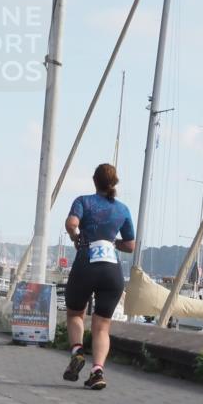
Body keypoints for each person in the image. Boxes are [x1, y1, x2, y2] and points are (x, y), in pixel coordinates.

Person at [62, 164, 135, 391]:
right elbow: (131, 246)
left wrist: (76, 236)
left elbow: (71, 223)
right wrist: (113, 243)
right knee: (102, 326)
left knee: (75, 313)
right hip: (112, 270)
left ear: (94, 180)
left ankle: (77, 350)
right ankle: (97, 371)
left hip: (86, 263)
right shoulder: (123, 209)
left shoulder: (83, 201)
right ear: (115, 183)